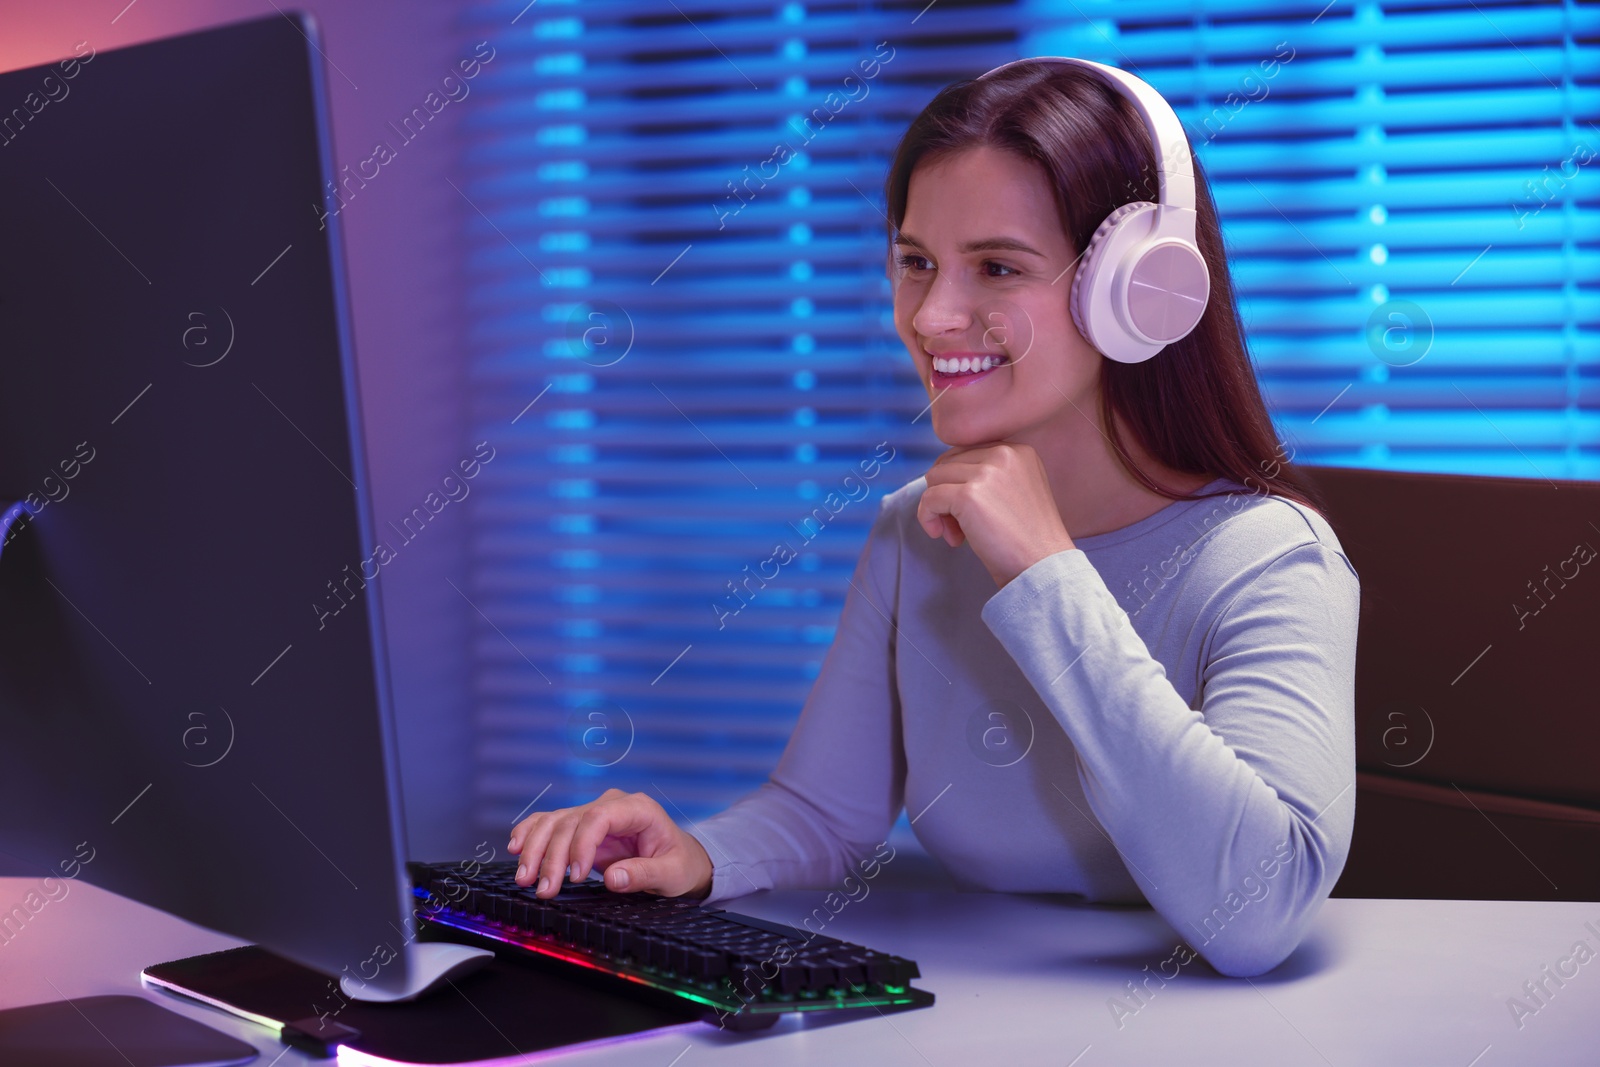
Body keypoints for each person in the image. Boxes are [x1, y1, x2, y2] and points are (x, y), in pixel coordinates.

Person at [505, 58, 1359, 979]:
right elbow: (826, 814)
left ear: (1139, 289)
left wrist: (1046, 574)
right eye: (916, 262)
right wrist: (695, 855)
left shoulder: (1267, 559)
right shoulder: (920, 533)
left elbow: (1258, 912)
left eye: (996, 266)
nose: (932, 315)